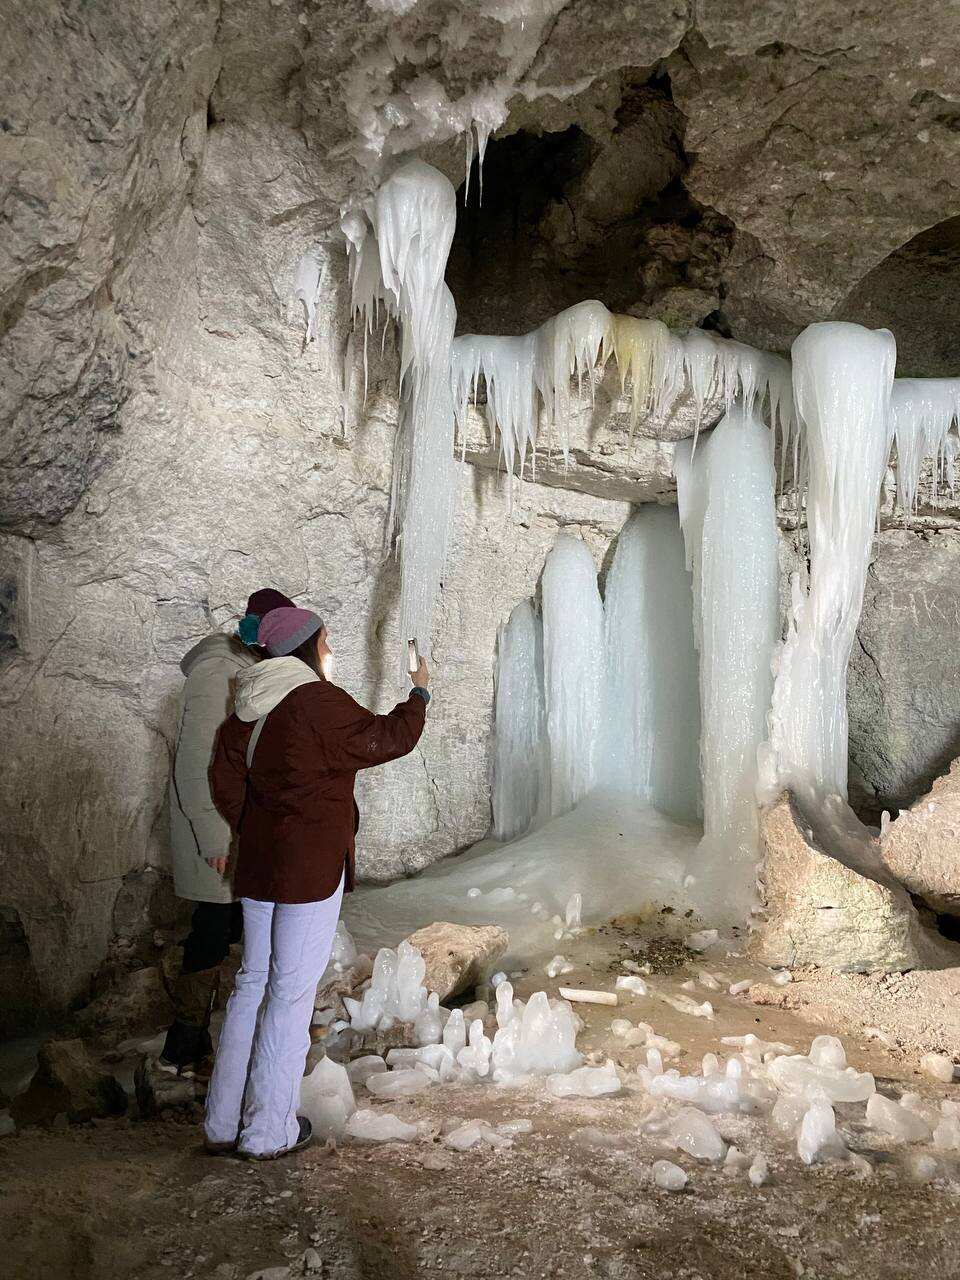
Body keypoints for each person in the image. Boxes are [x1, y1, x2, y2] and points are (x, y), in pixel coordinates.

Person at [204, 606, 430, 1159]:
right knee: (288, 996)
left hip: (259, 870)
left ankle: (222, 1121)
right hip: (308, 872)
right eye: (325, 642)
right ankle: (266, 1131)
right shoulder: (315, 702)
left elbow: (224, 780)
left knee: (252, 985)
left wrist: (260, 829)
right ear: (307, 647)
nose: (329, 651)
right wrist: (419, 693)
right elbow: (385, 738)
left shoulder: (247, 706)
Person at [160, 588, 295, 1077]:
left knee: (232, 929)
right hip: (215, 830)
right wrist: (216, 839)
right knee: (212, 931)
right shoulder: (217, 670)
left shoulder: (245, 665)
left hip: (236, 825)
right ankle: (183, 1046)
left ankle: (213, 1043)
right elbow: (196, 762)